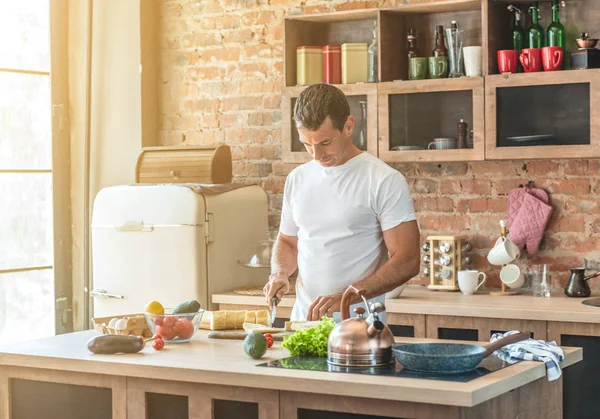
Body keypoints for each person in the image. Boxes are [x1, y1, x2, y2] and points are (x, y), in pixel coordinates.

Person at [263, 84, 420, 322]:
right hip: (304, 327)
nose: (316, 155)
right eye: (307, 144)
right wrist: (280, 273)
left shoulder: (383, 179)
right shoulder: (298, 178)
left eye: (325, 143)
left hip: (359, 331)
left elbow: (407, 260)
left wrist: (345, 298)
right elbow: (287, 242)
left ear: (348, 126)